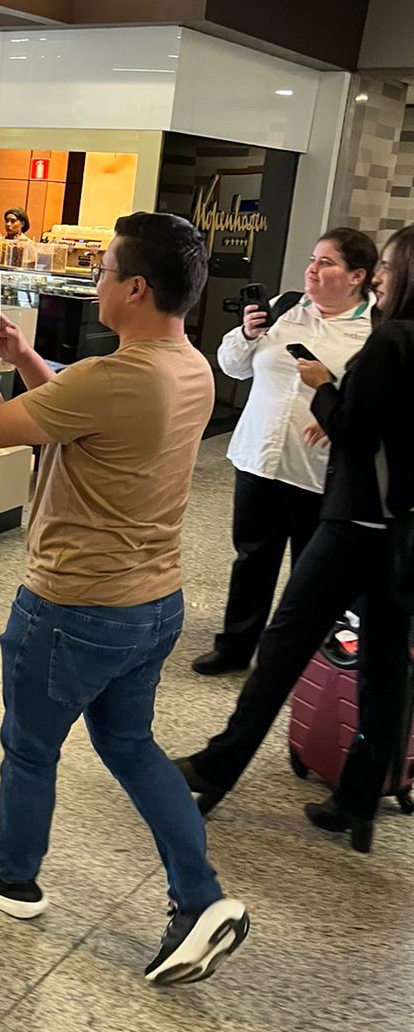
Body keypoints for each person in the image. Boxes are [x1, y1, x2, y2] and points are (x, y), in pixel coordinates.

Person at [0, 212, 249, 986]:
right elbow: (80, 418)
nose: (98, 280)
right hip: (153, 604)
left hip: (74, 605)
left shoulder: (115, 376)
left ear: (138, 288)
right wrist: (24, 355)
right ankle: (200, 895)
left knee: (30, 744)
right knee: (129, 745)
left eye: (108, 270)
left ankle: (14, 876)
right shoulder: (186, 369)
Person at [177, 225, 414, 847]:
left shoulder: (389, 338)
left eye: (388, 267)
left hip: (353, 519)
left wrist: (324, 392)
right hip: (399, 531)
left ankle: (215, 768)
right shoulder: (295, 313)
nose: (384, 277)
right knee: (386, 669)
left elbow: (357, 430)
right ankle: (359, 800)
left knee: (281, 649)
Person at [192, 229, 377, 675]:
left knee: (310, 572)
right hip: (259, 456)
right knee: (252, 556)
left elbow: (379, 402)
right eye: (313, 259)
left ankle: (294, 659)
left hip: (319, 471)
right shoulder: (285, 306)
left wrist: (341, 413)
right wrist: (247, 333)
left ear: (357, 276)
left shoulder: (375, 330)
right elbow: (233, 368)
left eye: (326, 263)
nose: (312, 269)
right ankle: (235, 647)